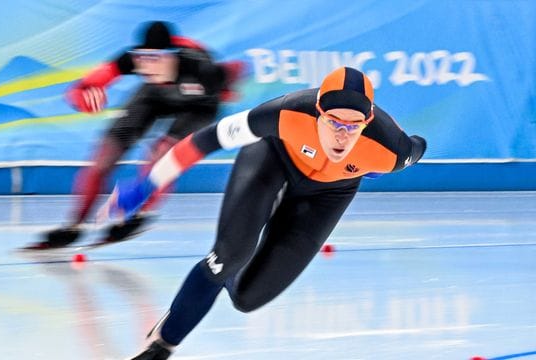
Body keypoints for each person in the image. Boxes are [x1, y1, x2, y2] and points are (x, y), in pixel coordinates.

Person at [107, 66, 427, 359]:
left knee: (248, 298)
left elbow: (418, 145)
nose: (342, 135)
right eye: (333, 122)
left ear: (367, 122)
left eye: (352, 126)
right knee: (227, 256)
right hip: (272, 159)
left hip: (329, 191)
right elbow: (204, 141)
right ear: (318, 113)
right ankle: (163, 344)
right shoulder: (285, 113)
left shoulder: (391, 151)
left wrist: (388, 148)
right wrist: (146, 187)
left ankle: (230, 266)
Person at [24, 21, 244, 249]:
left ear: (172, 57)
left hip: (198, 106)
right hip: (155, 96)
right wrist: (81, 95)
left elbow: (235, 70)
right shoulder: (132, 61)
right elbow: (85, 84)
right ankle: (74, 226)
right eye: (142, 58)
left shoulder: (200, 67)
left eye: (155, 59)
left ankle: (141, 214)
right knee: (104, 158)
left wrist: (228, 90)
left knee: (162, 155)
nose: (146, 66)